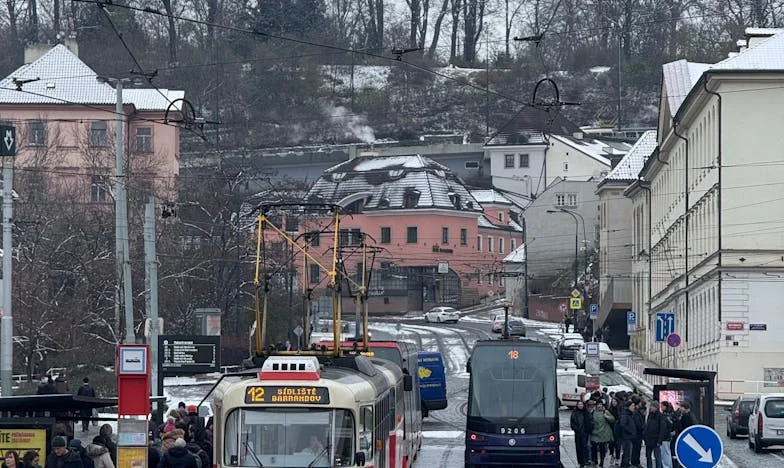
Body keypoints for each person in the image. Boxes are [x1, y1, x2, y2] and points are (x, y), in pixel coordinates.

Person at [590, 400, 615, 467]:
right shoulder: (592, 412)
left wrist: (607, 417)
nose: (599, 406)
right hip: (595, 433)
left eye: (601, 404)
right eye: (598, 404)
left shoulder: (606, 412)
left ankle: (602, 461)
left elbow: (613, 420)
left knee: (602, 449)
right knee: (594, 448)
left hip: (604, 433)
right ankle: (594, 461)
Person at [643, 401, 667, 468]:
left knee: (657, 457)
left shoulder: (660, 416)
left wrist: (660, 440)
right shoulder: (650, 415)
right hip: (648, 439)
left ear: (656, 407)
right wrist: (644, 436)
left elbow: (662, 429)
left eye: (653, 406)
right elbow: (647, 426)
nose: (651, 408)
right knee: (648, 456)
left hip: (656, 439)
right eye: (651, 406)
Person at [570, 400, 592, 467]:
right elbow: (572, 423)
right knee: (579, 447)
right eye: (579, 404)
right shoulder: (574, 413)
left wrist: (589, 428)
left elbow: (591, 421)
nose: (580, 405)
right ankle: (581, 462)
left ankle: (586, 460)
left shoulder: (587, 412)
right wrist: (577, 429)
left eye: (581, 404)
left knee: (586, 447)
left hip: (586, 432)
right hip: (578, 433)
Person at [618, 400, 637, 467]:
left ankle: (625, 464)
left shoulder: (629, 414)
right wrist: (630, 431)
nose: (634, 407)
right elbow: (623, 425)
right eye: (632, 406)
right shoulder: (625, 414)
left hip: (629, 436)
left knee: (628, 452)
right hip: (626, 436)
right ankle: (625, 465)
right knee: (627, 452)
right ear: (628, 406)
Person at [659, 401, 676, 468]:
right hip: (668, 436)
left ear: (665, 406)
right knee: (667, 452)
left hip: (666, 437)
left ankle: (667, 466)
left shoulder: (666, 416)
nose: (661, 407)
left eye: (662, 406)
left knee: (665, 452)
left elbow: (665, 427)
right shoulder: (671, 414)